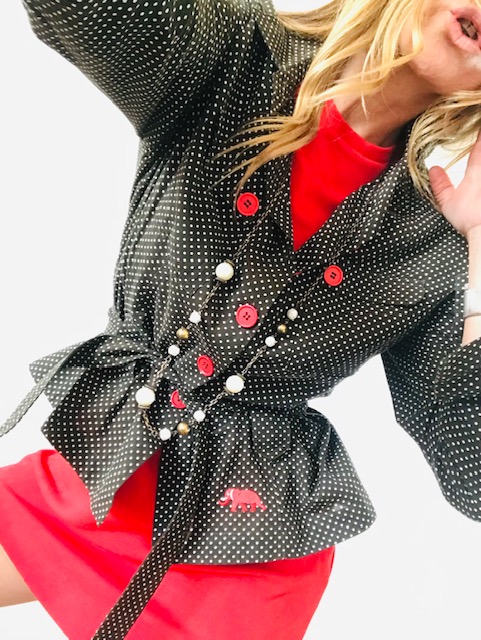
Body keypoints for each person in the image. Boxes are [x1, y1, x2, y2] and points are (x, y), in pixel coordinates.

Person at [1, 0, 481, 638]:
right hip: (106, 468)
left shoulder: (434, 237)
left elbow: (472, 472)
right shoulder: (231, 54)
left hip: (252, 539)